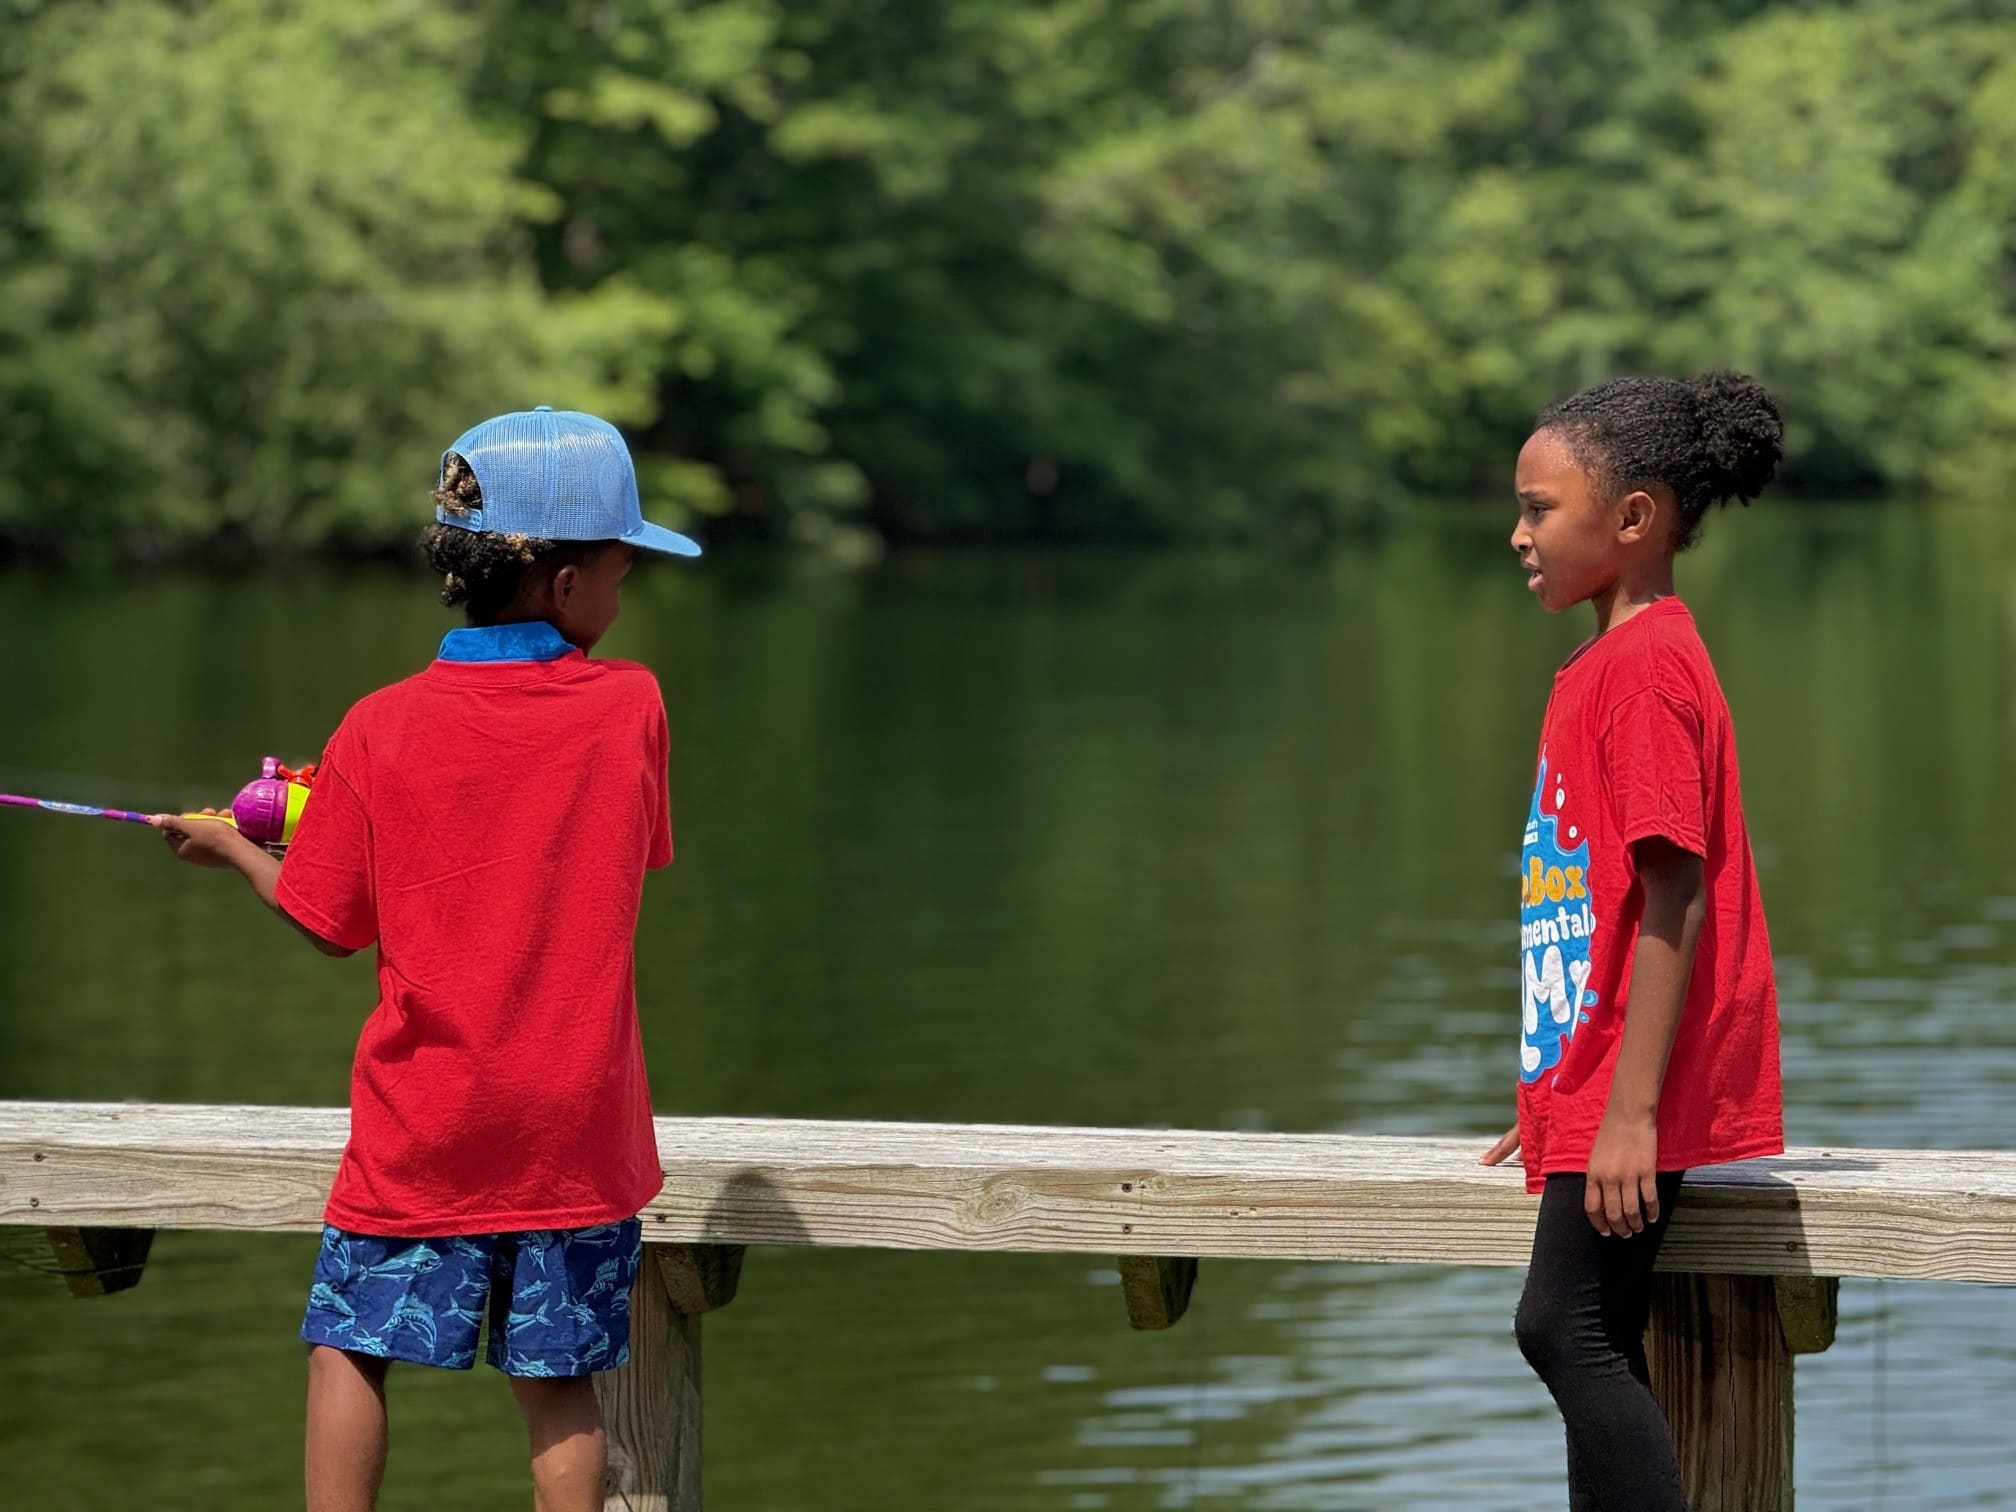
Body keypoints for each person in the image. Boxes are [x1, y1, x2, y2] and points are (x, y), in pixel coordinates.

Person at [152, 406, 700, 1512]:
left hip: (427, 1123)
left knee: (349, 1350)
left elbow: (329, 919)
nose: (624, 587)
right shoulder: (630, 702)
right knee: (559, 1383)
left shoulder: (377, 726)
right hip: (575, 1126)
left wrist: (241, 847)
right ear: (563, 584)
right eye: (622, 568)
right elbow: (622, 850)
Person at [1480, 371, 1787, 1510]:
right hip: (1601, 1075)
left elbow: (1676, 892)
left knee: (1562, 1329)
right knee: (1591, 1328)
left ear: (1633, 517)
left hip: (1632, 1087)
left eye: (1539, 509)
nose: (1518, 534)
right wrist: (1559, 1089)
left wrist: (1628, 1111)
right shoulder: (1612, 661)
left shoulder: (1646, 670)